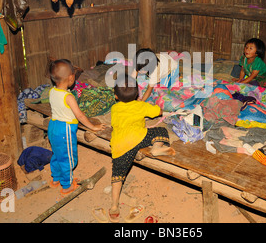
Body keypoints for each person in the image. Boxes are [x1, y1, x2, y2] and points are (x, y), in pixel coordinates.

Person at [109, 74, 175, 222]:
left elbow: (115, 123)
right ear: (138, 93)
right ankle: (156, 148)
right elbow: (157, 112)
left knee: (117, 176)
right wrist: (159, 108)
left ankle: (114, 206)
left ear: (116, 96)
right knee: (161, 131)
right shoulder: (140, 105)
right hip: (139, 137)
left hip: (120, 146)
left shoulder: (114, 108)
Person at [47, 59, 105, 196]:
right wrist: (93, 127)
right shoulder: (68, 97)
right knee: (68, 158)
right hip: (64, 130)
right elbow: (80, 116)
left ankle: (55, 179)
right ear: (71, 77)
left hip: (53, 127)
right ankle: (66, 185)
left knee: (57, 154)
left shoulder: (52, 92)